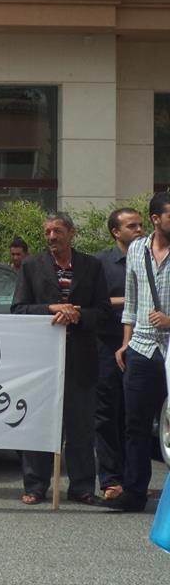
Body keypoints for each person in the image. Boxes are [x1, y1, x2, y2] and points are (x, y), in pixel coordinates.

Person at [11, 212, 109, 506]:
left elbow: (104, 313)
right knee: (39, 423)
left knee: (81, 427)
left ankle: (81, 487)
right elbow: (18, 310)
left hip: (81, 359)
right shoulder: (31, 266)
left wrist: (78, 314)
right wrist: (51, 309)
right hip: (41, 360)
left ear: (71, 233)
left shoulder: (91, 266)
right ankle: (36, 485)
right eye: (47, 232)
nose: (52, 237)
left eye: (57, 231)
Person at [105, 194, 170, 512]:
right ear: (156, 219)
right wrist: (125, 342)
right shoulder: (137, 249)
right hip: (142, 347)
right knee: (136, 424)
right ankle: (133, 492)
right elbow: (131, 299)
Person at [94, 207, 143, 500]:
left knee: (135, 415)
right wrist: (130, 300)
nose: (139, 230)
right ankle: (111, 479)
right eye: (131, 226)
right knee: (107, 413)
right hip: (108, 344)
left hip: (145, 344)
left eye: (140, 225)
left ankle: (134, 479)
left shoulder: (151, 258)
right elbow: (93, 301)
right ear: (116, 232)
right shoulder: (100, 263)